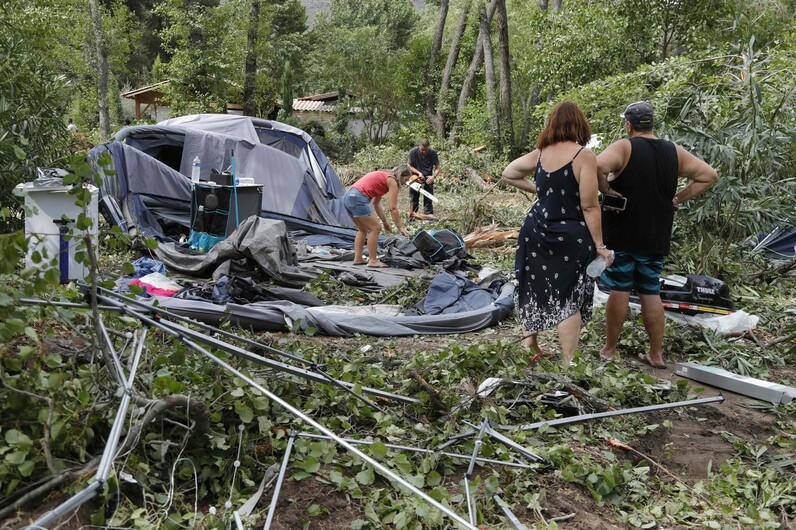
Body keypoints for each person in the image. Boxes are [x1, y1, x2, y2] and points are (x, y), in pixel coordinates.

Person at [597, 101, 718, 369]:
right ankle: (656, 355)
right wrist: (679, 198)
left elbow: (597, 167)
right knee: (650, 289)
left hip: (623, 231)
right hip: (656, 233)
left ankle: (609, 349)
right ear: (652, 123)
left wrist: (608, 192)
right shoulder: (673, 151)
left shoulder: (624, 147)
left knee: (619, 286)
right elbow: (709, 175)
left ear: (628, 125)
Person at [502, 101, 613, 367]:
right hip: (570, 234)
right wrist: (600, 245)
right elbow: (589, 204)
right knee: (569, 295)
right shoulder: (583, 155)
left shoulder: (540, 152)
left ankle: (531, 345)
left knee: (532, 284)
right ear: (580, 124)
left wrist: (541, 192)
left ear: (552, 124)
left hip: (536, 228)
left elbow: (509, 173)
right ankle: (567, 361)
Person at [343, 165, 413, 268]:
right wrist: (400, 227)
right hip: (358, 198)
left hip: (348, 197)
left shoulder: (383, 177)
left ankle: (358, 258)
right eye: (405, 179)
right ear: (401, 175)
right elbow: (393, 208)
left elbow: (376, 203)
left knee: (362, 229)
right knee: (375, 228)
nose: (405, 183)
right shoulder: (392, 180)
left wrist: (385, 221)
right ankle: (373, 260)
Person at [407, 139, 440, 216]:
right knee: (413, 199)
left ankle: (428, 216)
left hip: (428, 178)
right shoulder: (413, 152)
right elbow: (409, 165)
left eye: (426, 150)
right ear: (419, 146)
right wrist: (418, 173)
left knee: (428, 199)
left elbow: (438, 168)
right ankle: (412, 216)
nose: (424, 152)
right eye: (422, 150)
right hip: (415, 178)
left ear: (428, 147)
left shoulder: (433, 153)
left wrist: (433, 176)